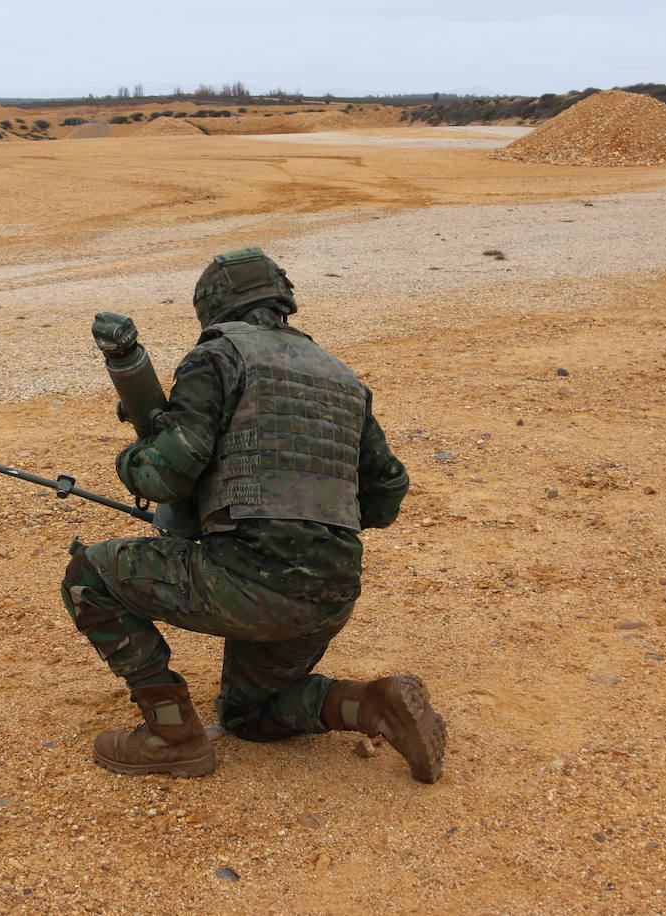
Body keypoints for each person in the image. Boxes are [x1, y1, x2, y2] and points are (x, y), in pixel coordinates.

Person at [61, 248, 446, 781]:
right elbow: (387, 494)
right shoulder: (342, 378)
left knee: (90, 576)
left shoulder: (218, 358)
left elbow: (164, 478)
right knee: (251, 715)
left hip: (249, 584)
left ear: (213, 307)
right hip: (330, 593)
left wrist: (136, 452)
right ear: (281, 302)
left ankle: (171, 736)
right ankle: (373, 705)